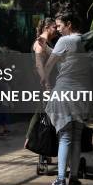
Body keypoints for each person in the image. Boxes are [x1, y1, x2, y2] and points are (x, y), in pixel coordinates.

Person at [43, 11, 90, 185]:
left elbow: (50, 64)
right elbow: (68, 56)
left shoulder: (65, 40)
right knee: (76, 137)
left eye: (60, 26)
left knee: (64, 136)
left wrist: (44, 81)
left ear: (69, 24)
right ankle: (75, 178)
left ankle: (61, 180)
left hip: (65, 92)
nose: (58, 29)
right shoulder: (84, 40)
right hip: (83, 93)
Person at [24, 17, 58, 145]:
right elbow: (39, 64)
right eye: (54, 27)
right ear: (47, 27)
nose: (56, 30)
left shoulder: (47, 43)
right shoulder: (40, 42)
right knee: (43, 114)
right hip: (43, 83)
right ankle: (31, 141)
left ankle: (36, 144)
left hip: (47, 82)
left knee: (42, 112)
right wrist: (46, 83)